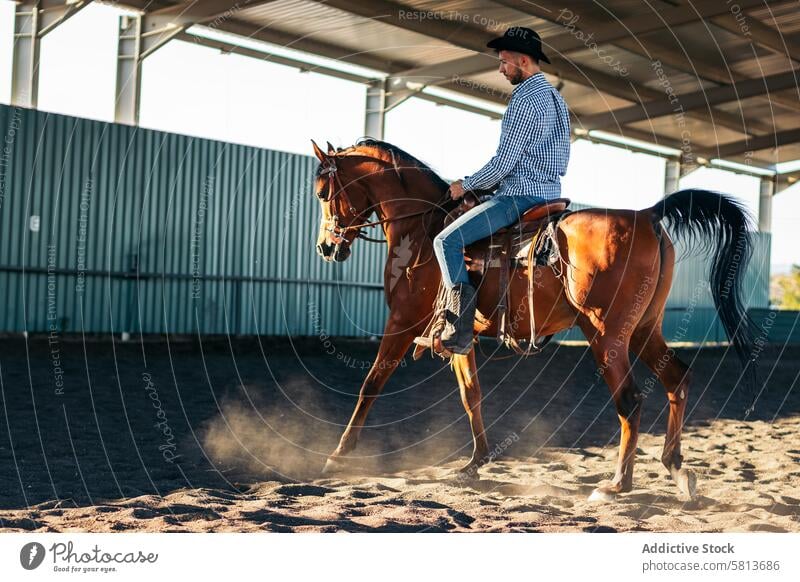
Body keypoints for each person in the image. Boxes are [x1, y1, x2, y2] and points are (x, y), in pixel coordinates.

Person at [429, 26, 571, 355]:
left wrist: (465, 184)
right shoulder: (556, 99)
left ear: (523, 60)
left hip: (519, 197)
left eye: (505, 61)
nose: (501, 68)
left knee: (445, 240)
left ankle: (459, 327)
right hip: (552, 196)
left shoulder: (524, 99)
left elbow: (503, 163)